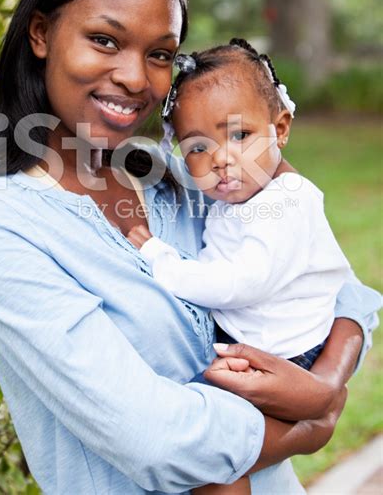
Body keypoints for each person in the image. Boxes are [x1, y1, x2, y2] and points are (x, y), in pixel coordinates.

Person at [0, 0, 380, 495]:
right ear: (41, 33)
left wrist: (324, 389)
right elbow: (156, 441)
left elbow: (335, 290)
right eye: (104, 40)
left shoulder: (180, 174)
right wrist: (308, 429)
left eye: (160, 54)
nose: (136, 78)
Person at [127, 39, 357, 494]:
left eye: (240, 135)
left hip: (283, 357)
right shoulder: (240, 196)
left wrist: (158, 256)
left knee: (211, 453)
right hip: (262, 345)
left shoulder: (286, 203)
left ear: (281, 127)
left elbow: (239, 282)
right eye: (198, 148)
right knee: (217, 452)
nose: (222, 159)